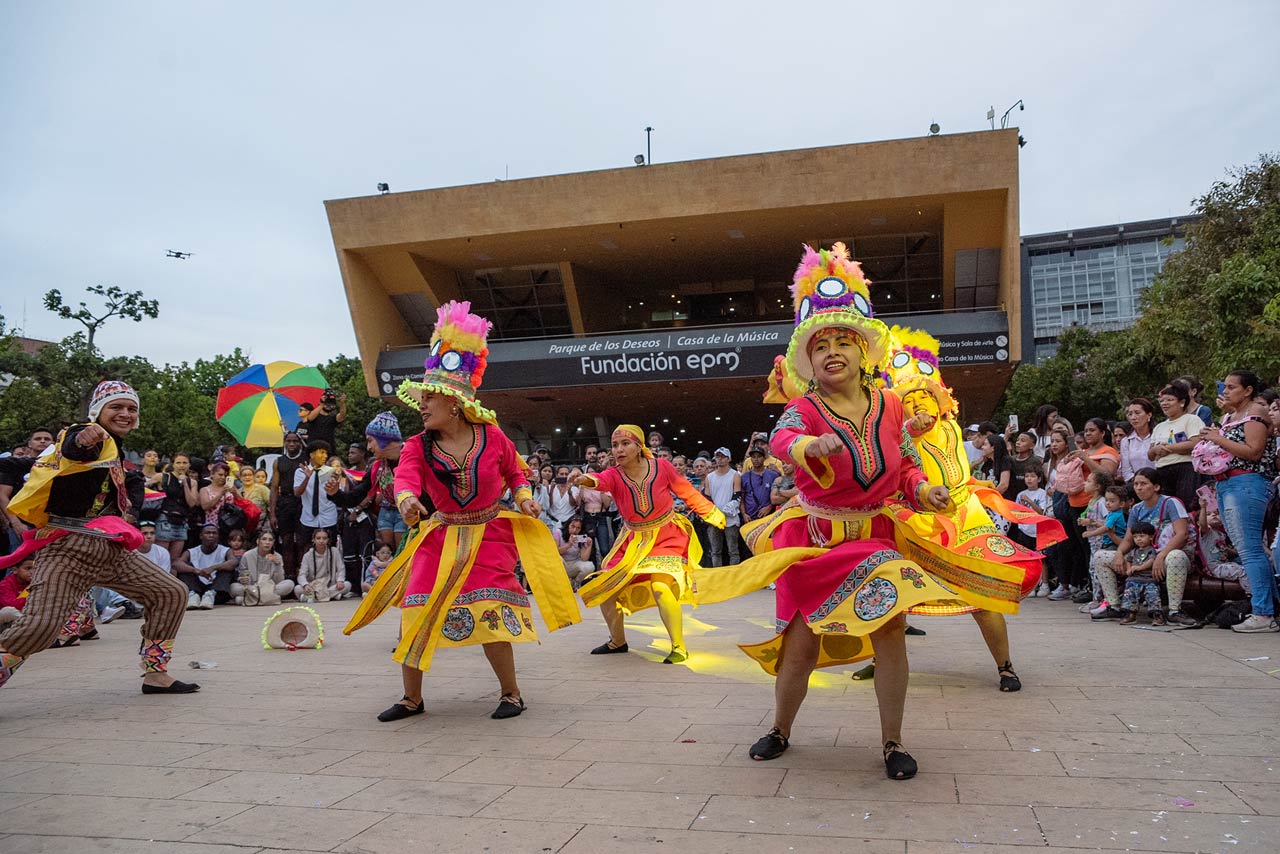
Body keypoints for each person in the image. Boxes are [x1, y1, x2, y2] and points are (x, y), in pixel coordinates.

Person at [691, 243, 960, 775]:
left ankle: (892, 742)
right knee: (800, 648)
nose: (832, 351)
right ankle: (780, 728)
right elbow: (782, 437)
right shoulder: (804, 408)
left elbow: (904, 464)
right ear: (808, 362)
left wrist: (924, 490)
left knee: (889, 638)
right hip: (813, 542)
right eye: (820, 346)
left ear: (865, 352)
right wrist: (806, 448)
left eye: (844, 341)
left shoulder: (891, 405)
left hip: (875, 538)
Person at [344, 300, 580, 722]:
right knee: (414, 612)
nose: (422, 405)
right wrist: (407, 501)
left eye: (429, 397)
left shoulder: (492, 437)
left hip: (489, 535)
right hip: (438, 536)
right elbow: (405, 480)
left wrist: (524, 497)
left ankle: (511, 694)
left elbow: (515, 472)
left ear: (454, 403)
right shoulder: (417, 445)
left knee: (490, 616)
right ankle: (411, 699)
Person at [884, 325, 1058, 692]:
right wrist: (906, 429)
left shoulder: (948, 429)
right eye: (909, 402)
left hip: (965, 518)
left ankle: (1005, 666)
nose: (917, 407)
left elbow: (926, 429)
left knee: (984, 593)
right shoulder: (900, 437)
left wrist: (915, 424)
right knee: (894, 592)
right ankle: (881, 660)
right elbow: (906, 443)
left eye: (923, 399)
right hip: (918, 521)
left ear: (940, 403)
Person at [0, 381, 196, 693]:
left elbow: (129, 481)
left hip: (109, 550)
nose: (125, 413)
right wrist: (84, 436)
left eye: (131, 408)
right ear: (97, 412)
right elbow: (74, 445)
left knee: (170, 593)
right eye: (115, 407)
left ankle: (155, 674)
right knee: (40, 626)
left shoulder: (116, 452)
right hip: (67, 548)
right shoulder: (87, 434)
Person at [575, 425, 724, 663]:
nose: (619, 449)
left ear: (639, 446)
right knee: (605, 588)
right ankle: (618, 640)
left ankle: (678, 646)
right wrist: (585, 479)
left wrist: (712, 513)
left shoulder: (661, 467)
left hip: (667, 535)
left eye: (626, 444)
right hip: (633, 541)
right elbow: (599, 480)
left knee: (661, 587)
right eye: (615, 445)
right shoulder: (614, 474)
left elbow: (686, 491)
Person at [1199, 370, 1277, 633]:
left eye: (1232, 387)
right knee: (1249, 550)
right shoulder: (1230, 416)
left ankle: (1263, 613)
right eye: (1225, 386)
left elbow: (1254, 452)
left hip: (1247, 482)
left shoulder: (1255, 412)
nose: (1226, 391)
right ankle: (1269, 608)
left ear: (1248, 391)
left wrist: (1217, 438)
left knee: (1250, 550)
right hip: (1226, 483)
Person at [1092, 468, 1196, 626]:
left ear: (1156, 487)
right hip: (1143, 556)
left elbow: (1182, 534)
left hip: (1170, 557)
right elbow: (1128, 540)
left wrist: (1160, 557)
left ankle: (1175, 610)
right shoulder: (1136, 509)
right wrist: (1120, 554)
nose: (1139, 488)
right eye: (1136, 484)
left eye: (1143, 484)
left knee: (1176, 556)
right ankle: (1114, 606)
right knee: (1100, 556)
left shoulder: (1170, 503)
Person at [1148, 381, 1206, 512]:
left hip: (1185, 469)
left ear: (1182, 402)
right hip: (1162, 470)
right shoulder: (1159, 427)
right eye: (1162, 401)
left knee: (1187, 507)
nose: (1164, 403)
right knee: (1167, 510)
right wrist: (1155, 450)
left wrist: (1168, 448)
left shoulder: (1191, 420)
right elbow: (1150, 454)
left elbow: (1195, 443)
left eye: (1169, 400)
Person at [269, 431, 307, 578]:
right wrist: (272, 512)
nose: (292, 444)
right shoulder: (279, 461)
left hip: (303, 502)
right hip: (285, 502)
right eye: (288, 441)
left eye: (295, 441)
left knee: (302, 541)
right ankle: (289, 575)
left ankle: (301, 575)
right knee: (286, 541)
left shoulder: (306, 459)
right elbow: (273, 487)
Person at [174, 524, 238, 609]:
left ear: (218, 536)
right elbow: (176, 564)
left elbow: (234, 562)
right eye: (207, 533)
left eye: (214, 533)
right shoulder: (192, 551)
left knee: (228, 568)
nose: (211, 535)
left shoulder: (225, 550)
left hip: (217, 592)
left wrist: (213, 568)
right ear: (201, 536)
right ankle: (193, 595)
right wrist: (196, 571)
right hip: (197, 587)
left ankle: (210, 594)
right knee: (185, 568)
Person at [293, 440, 340, 547]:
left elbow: (337, 495)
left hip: (329, 518)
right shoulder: (300, 471)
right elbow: (297, 493)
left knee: (330, 549)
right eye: (322, 452)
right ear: (312, 454)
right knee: (307, 548)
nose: (325, 456)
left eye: (326, 453)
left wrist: (336, 482)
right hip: (308, 519)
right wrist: (307, 478)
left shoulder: (331, 471)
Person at [1117, 521, 1163, 625]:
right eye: (1135, 537)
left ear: (1151, 537)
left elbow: (1151, 561)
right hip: (1134, 579)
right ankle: (1130, 614)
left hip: (1149, 579)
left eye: (1142, 536)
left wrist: (1139, 567)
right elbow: (1129, 560)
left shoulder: (1152, 550)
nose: (1138, 539)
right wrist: (1129, 569)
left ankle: (1157, 615)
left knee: (1153, 596)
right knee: (1130, 594)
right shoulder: (1134, 551)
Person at [702, 448, 742, 566]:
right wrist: (714, 512)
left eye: (723, 456)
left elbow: (737, 495)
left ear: (728, 458)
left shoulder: (735, 475)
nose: (720, 459)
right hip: (715, 518)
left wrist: (727, 509)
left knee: (733, 550)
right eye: (718, 456)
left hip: (731, 517)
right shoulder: (710, 477)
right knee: (715, 551)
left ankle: (733, 575)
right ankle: (717, 574)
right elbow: (707, 497)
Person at [156, 453, 199, 561]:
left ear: (189, 465)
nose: (181, 465)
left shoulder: (192, 482)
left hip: (182, 521)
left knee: (175, 560)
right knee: (161, 558)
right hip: (165, 519)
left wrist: (185, 483)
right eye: (178, 463)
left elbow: (192, 503)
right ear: (173, 464)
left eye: (184, 463)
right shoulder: (164, 477)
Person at [233, 530, 294, 604]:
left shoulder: (277, 556)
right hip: (252, 587)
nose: (267, 542)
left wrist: (277, 565)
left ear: (273, 543)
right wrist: (242, 579)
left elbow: (279, 581)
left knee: (289, 584)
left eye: (270, 540)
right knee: (233, 587)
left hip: (270, 587)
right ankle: (270, 598)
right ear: (258, 541)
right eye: (264, 539)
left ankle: (249, 599)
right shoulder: (247, 555)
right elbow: (242, 575)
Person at [297, 529, 351, 601]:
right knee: (297, 589)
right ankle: (332, 596)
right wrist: (305, 585)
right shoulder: (308, 555)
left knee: (347, 585)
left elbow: (341, 569)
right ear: (313, 540)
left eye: (324, 538)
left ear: (328, 540)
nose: (321, 541)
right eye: (318, 538)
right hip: (314, 586)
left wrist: (340, 581)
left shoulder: (334, 551)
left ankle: (313, 597)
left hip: (330, 585)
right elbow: (302, 574)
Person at [1119, 399, 1155, 483]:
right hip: (1135, 484)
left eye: (1137, 413)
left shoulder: (1158, 435)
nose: (1133, 417)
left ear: (1149, 415)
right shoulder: (1126, 441)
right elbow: (1126, 471)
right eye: (1130, 414)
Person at [555, 516, 595, 589]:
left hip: (574, 563)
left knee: (590, 566)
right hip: (562, 563)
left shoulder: (581, 538)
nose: (574, 530)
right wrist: (568, 545)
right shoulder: (558, 532)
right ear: (568, 525)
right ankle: (564, 582)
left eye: (578, 528)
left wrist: (589, 546)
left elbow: (584, 558)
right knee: (558, 559)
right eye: (572, 526)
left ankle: (576, 583)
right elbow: (555, 552)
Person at [742, 447, 779, 523]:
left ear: (764, 458)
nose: (756, 459)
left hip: (769, 517)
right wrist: (744, 514)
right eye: (753, 457)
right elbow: (741, 499)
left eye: (759, 456)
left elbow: (779, 496)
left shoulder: (773, 475)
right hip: (750, 518)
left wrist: (769, 507)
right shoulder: (744, 477)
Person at [199, 461, 240, 530]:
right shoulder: (205, 490)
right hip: (212, 525)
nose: (223, 477)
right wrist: (221, 494)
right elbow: (205, 506)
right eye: (220, 475)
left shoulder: (232, 487)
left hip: (229, 524)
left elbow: (242, 502)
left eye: (225, 475)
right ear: (212, 474)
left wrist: (235, 493)